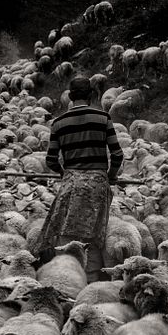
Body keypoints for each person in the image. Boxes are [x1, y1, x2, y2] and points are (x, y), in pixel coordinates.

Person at [37, 76, 124, 282]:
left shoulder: (58, 123)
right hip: (97, 184)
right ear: (92, 95)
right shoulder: (103, 118)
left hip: (71, 184)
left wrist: (64, 173)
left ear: (70, 96)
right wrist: (110, 176)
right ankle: (92, 282)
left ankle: (64, 278)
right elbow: (118, 154)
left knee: (65, 232)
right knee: (93, 236)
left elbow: (50, 159)